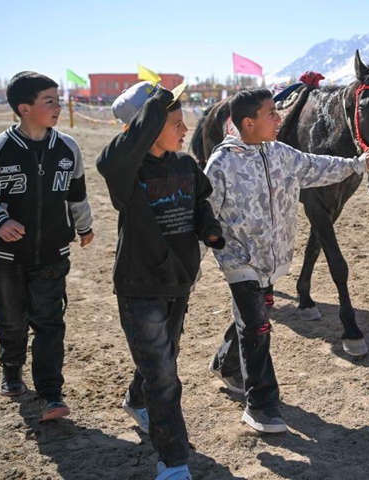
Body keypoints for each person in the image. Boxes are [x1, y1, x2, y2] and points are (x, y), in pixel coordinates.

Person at [205, 88, 369, 433]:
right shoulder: (222, 163)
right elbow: (205, 215)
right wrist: (193, 265)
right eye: (271, 113)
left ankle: (226, 364)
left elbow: (318, 166)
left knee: (254, 315)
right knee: (258, 327)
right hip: (239, 261)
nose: (279, 118)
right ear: (248, 123)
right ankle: (261, 405)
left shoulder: (282, 154)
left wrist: (357, 164)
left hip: (271, 259)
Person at [96, 81, 224, 480]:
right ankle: (172, 460)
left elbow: (199, 201)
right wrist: (152, 106)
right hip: (141, 286)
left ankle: (138, 400)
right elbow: (113, 161)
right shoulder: (125, 172)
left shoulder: (184, 163)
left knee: (162, 359)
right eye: (175, 123)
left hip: (178, 282)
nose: (186, 130)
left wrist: (210, 230)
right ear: (147, 128)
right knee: (165, 377)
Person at [0, 71, 94, 421]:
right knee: (13, 320)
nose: (58, 107)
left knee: (50, 323)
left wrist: (84, 227)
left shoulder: (67, 147)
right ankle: (11, 369)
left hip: (52, 256)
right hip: (7, 260)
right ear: (24, 108)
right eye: (50, 101)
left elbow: (76, 195)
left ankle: (51, 393)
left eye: (58, 100)